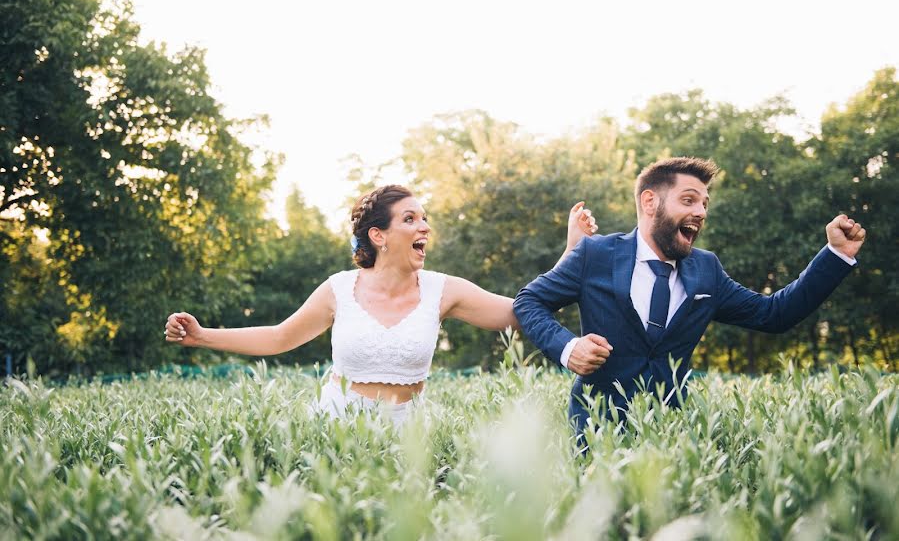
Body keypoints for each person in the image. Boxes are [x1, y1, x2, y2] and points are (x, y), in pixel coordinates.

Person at [164, 184, 597, 426]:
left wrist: (572, 252)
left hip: (410, 429)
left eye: (424, 218)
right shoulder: (338, 289)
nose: (424, 226)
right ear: (378, 235)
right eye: (410, 219)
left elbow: (524, 313)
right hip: (336, 424)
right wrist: (203, 336)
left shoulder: (443, 290)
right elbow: (279, 337)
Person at [513, 157, 866, 442]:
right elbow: (529, 300)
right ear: (650, 202)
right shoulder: (596, 254)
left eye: (704, 203)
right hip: (595, 438)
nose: (701, 212)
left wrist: (836, 256)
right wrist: (568, 347)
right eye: (689, 200)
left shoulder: (707, 270)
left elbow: (774, 314)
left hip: (673, 441)